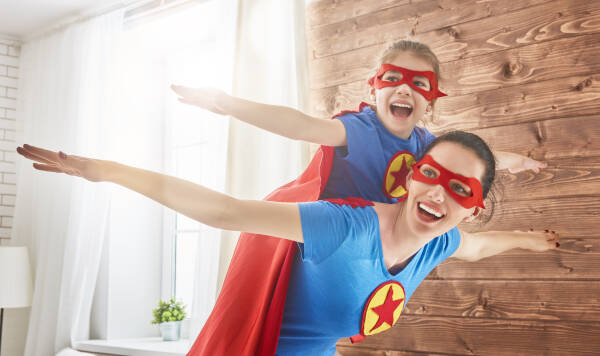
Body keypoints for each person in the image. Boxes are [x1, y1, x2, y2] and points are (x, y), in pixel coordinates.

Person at [16, 131, 559, 356]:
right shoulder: (345, 227)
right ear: (412, 174)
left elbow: (483, 247)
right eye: (432, 174)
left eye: (460, 189)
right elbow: (226, 211)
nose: (440, 194)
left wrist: (536, 241)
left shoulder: (439, 243)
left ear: (474, 205)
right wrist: (109, 170)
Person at [170, 40, 548, 355]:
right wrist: (228, 104)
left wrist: (516, 162)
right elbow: (301, 126)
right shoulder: (359, 130)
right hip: (328, 239)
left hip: (373, 250)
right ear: (374, 88)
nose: (404, 89)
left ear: (430, 100)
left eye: (419, 83)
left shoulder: (427, 146)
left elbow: (474, 165)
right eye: (393, 78)